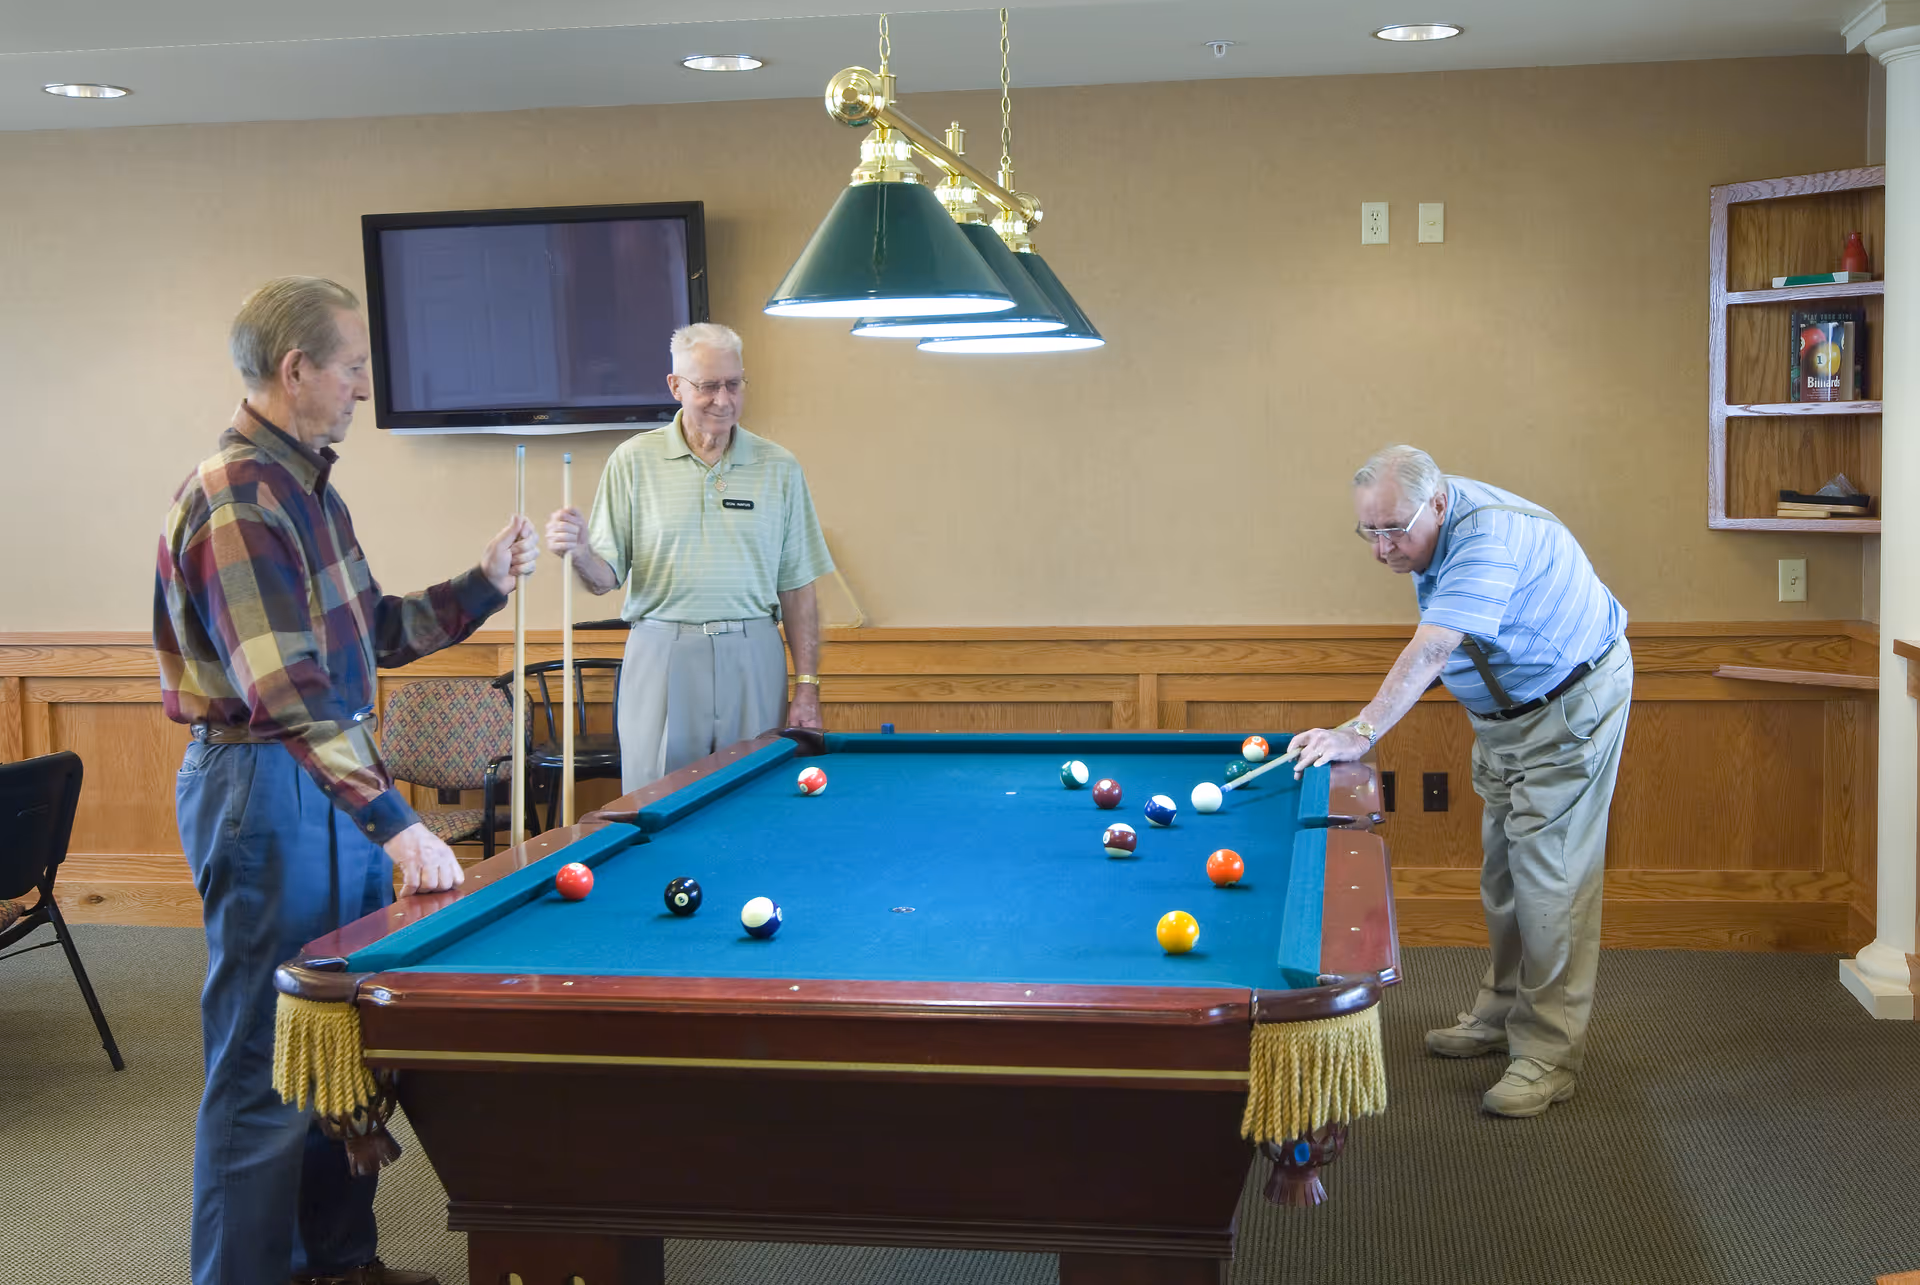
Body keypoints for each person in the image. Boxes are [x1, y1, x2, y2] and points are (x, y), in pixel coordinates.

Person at [154, 276, 538, 1285]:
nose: (365, 386)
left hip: (325, 776)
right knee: (263, 1063)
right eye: (355, 366)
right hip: (267, 785)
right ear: (297, 370)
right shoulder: (238, 495)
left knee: (342, 1034)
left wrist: (485, 581)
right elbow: (284, 690)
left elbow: (372, 637)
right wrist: (397, 820)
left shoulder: (309, 488)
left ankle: (337, 1261)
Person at [1285, 445, 1631, 1119]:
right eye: (1370, 530)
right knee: (1504, 878)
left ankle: (1548, 1056)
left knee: (1551, 883)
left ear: (1438, 503)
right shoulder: (1431, 516)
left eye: (1394, 529)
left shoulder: (1485, 540)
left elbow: (1434, 647)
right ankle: (1501, 1015)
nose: (1383, 547)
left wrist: (1357, 731)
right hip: (1507, 715)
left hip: (1568, 708)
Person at [545, 322, 834, 790]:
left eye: (734, 384)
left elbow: (799, 587)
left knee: (752, 799)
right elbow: (604, 578)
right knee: (656, 797)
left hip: (754, 654)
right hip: (662, 654)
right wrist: (579, 551)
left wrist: (808, 687)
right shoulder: (633, 459)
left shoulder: (779, 465)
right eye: (708, 386)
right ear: (675, 386)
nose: (724, 399)